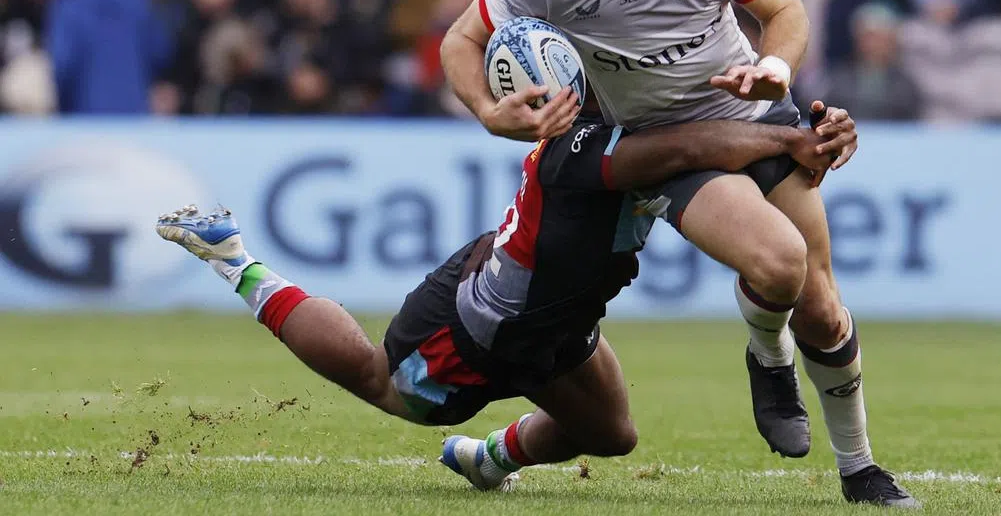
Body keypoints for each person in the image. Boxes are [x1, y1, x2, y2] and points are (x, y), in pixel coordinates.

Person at [439, 0, 918, 507]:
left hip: (757, 114)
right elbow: (460, 39)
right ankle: (770, 356)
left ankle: (858, 467)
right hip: (671, 145)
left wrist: (774, 71)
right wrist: (490, 111)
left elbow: (786, 13)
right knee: (778, 263)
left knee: (819, 304)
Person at [156, 99, 857, 493]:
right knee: (380, 380)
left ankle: (486, 459)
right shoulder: (581, 146)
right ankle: (234, 259)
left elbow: (717, 143)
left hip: (558, 320)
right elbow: (688, 150)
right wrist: (784, 135)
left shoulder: (636, 114)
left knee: (612, 436)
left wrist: (808, 130)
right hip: (480, 330)